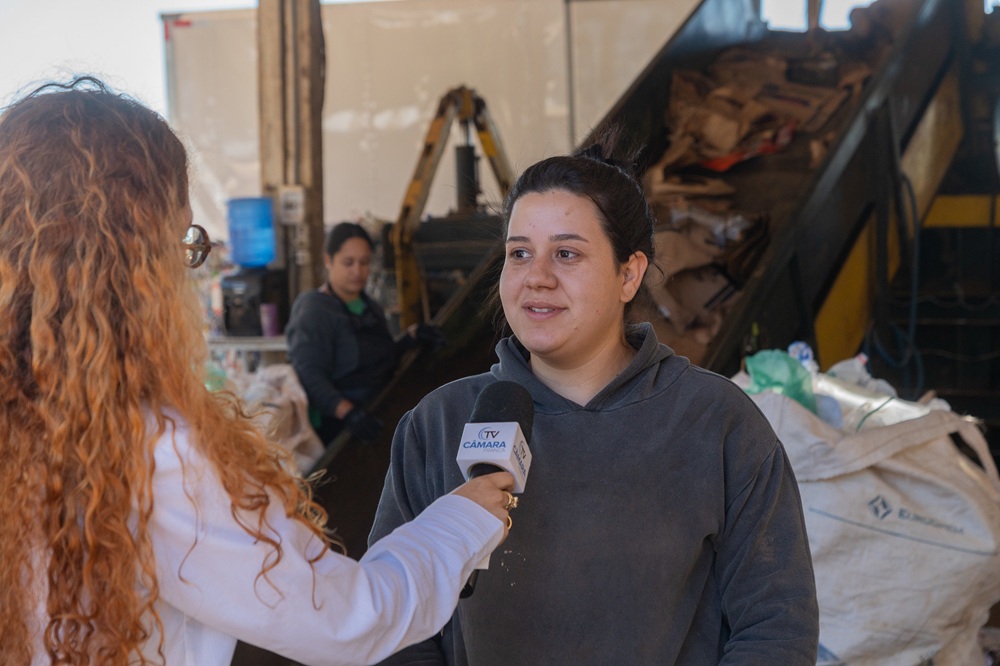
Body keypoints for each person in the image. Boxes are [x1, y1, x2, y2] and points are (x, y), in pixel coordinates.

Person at [0, 77, 518, 666]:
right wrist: (468, 515)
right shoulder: (151, 452)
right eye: (184, 243)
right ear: (134, 265)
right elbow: (349, 621)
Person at [369, 137, 820, 664]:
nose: (537, 277)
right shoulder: (439, 425)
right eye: (519, 253)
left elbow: (776, 626)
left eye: (566, 253)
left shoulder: (716, 423)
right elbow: (391, 620)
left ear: (628, 274)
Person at [286, 222, 446, 445]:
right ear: (328, 260)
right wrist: (348, 413)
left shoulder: (370, 306)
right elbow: (309, 375)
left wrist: (411, 336)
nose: (357, 272)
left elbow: (381, 361)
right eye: (348, 263)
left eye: (364, 262)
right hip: (337, 431)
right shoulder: (314, 310)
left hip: (375, 415)